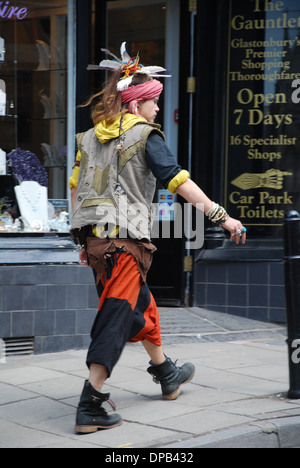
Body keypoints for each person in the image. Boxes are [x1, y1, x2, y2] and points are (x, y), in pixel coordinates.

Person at [70, 43, 246, 434]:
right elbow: (178, 181)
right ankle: (91, 401)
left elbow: (75, 187)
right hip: (124, 245)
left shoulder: (86, 139)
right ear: (136, 104)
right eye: (152, 101)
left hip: (97, 244)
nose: (157, 109)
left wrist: (82, 242)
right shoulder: (146, 135)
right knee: (116, 315)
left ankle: (166, 371)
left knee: (140, 306)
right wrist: (222, 216)